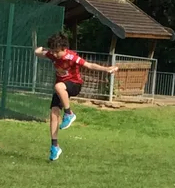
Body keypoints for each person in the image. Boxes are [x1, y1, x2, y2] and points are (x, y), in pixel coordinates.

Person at [34, 32, 118, 161]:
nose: (55, 55)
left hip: (74, 85)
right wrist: (39, 49)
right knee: (54, 113)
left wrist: (106, 69)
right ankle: (55, 147)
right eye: (53, 51)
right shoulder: (52, 55)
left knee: (58, 87)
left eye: (57, 52)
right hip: (62, 88)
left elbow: (89, 65)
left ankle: (69, 113)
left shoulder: (71, 57)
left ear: (64, 48)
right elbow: (38, 53)